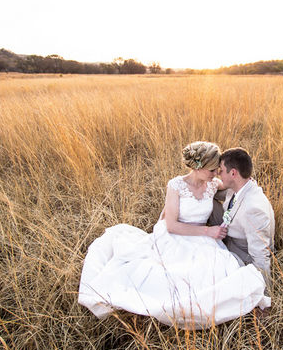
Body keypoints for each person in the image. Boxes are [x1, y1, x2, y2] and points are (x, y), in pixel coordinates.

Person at [78, 141, 270, 329]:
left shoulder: (213, 184)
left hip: (204, 241)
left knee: (210, 274)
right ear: (198, 168)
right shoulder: (176, 186)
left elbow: (238, 187)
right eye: (212, 170)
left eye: (218, 170)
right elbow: (171, 225)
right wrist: (208, 231)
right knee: (169, 275)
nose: (216, 174)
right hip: (177, 236)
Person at [209, 148, 275, 288]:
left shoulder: (253, 209)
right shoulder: (240, 186)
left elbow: (260, 256)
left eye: (220, 171)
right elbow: (213, 194)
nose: (218, 175)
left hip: (242, 253)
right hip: (231, 231)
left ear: (233, 173)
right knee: (208, 201)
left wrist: (264, 296)